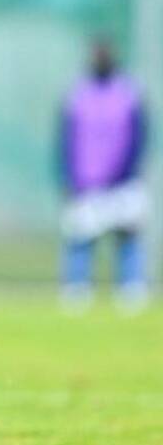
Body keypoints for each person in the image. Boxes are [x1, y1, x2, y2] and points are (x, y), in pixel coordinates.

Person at [59, 40, 150, 310]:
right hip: (85, 183)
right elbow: (65, 140)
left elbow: (140, 138)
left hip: (123, 181)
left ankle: (131, 290)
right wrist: (69, 177)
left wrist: (126, 173)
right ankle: (77, 289)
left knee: (127, 235)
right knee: (80, 238)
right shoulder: (77, 95)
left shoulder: (129, 93)